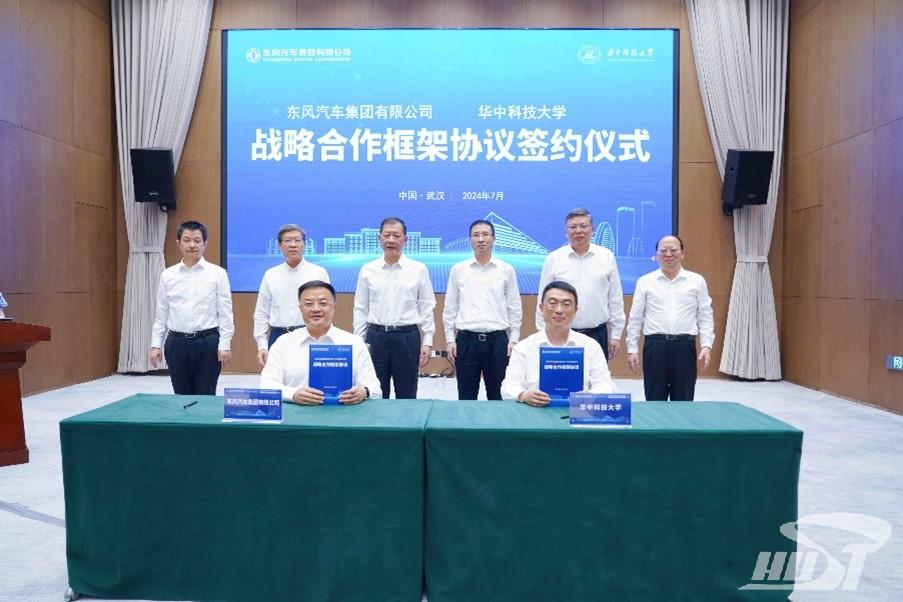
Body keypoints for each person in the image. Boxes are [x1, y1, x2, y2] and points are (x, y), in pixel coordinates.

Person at [353, 217, 436, 399]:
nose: (391, 240)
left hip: (407, 337)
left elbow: (426, 306)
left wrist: (428, 341)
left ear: (405, 239)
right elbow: (360, 309)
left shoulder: (418, 269)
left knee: (407, 394)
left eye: (396, 236)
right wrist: (359, 342)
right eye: (387, 235)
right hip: (376, 337)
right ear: (379, 238)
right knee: (375, 392)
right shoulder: (367, 270)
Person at [260, 280, 381, 404]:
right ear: (300, 308)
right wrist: (293, 394)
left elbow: (375, 389)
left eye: (323, 303)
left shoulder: (353, 343)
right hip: (296, 413)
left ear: (334, 307)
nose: (316, 309)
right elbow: (266, 384)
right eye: (309, 304)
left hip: (342, 413)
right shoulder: (284, 343)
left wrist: (364, 392)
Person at [626, 235, 715, 401]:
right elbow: (635, 318)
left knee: (683, 399)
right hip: (655, 346)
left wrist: (706, 345)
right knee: (654, 399)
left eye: (673, 250)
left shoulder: (696, 281)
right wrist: (632, 349)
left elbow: (705, 316)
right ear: (656, 255)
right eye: (663, 250)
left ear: (682, 254)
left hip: (684, 347)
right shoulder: (645, 281)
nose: (668, 254)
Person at [150, 220, 234, 395]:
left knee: (206, 394)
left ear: (205, 244)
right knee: (181, 395)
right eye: (187, 240)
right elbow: (161, 313)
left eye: (197, 240)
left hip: (208, 342)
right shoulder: (168, 275)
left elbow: (225, 313)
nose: (192, 245)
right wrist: (156, 344)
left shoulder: (217, 273)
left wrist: (225, 344)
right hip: (176, 343)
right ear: (179, 243)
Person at [501, 281, 616, 406]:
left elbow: (605, 385)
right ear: (541, 308)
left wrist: (588, 396)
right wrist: (523, 395)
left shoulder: (591, 346)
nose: (559, 310)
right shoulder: (524, 347)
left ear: (575, 310)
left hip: (578, 411)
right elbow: (508, 387)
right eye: (552, 303)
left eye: (566, 304)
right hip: (535, 411)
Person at [443, 219, 522, 400]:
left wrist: (514, 339)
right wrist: (450, 339)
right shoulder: (458, 270)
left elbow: (514, 307)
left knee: (498, 396)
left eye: (485, 234)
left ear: (493, 239)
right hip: (466, 341)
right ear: (470, 240)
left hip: (497, 341)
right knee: (466, 397)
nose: (481, 239)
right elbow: (450, 307)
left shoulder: (506, 270)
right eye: (476, 235)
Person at [537, 208, 626, 360]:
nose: (578, 231)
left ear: (592, 229)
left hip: (597, 334)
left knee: (596, 375)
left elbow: (615, 298)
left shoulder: (606, 257)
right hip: (561, 333)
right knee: (562, 375)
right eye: (573, 227)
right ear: (566, 231)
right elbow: (543, 300)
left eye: (583, 226)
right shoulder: (554, 258)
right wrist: (542, 334)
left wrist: (616, 336)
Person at [253, 224, 329, 368]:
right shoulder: (271, 274)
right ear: (279, 246)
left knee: (309, 379)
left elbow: (327, 310)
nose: (293, 245)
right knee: (278, 379)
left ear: (304, 244)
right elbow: (261, 313)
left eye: (297, 240)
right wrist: (262, 345)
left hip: (310, 335)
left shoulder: (318, 273)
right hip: (278, 335)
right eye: (288, 241)